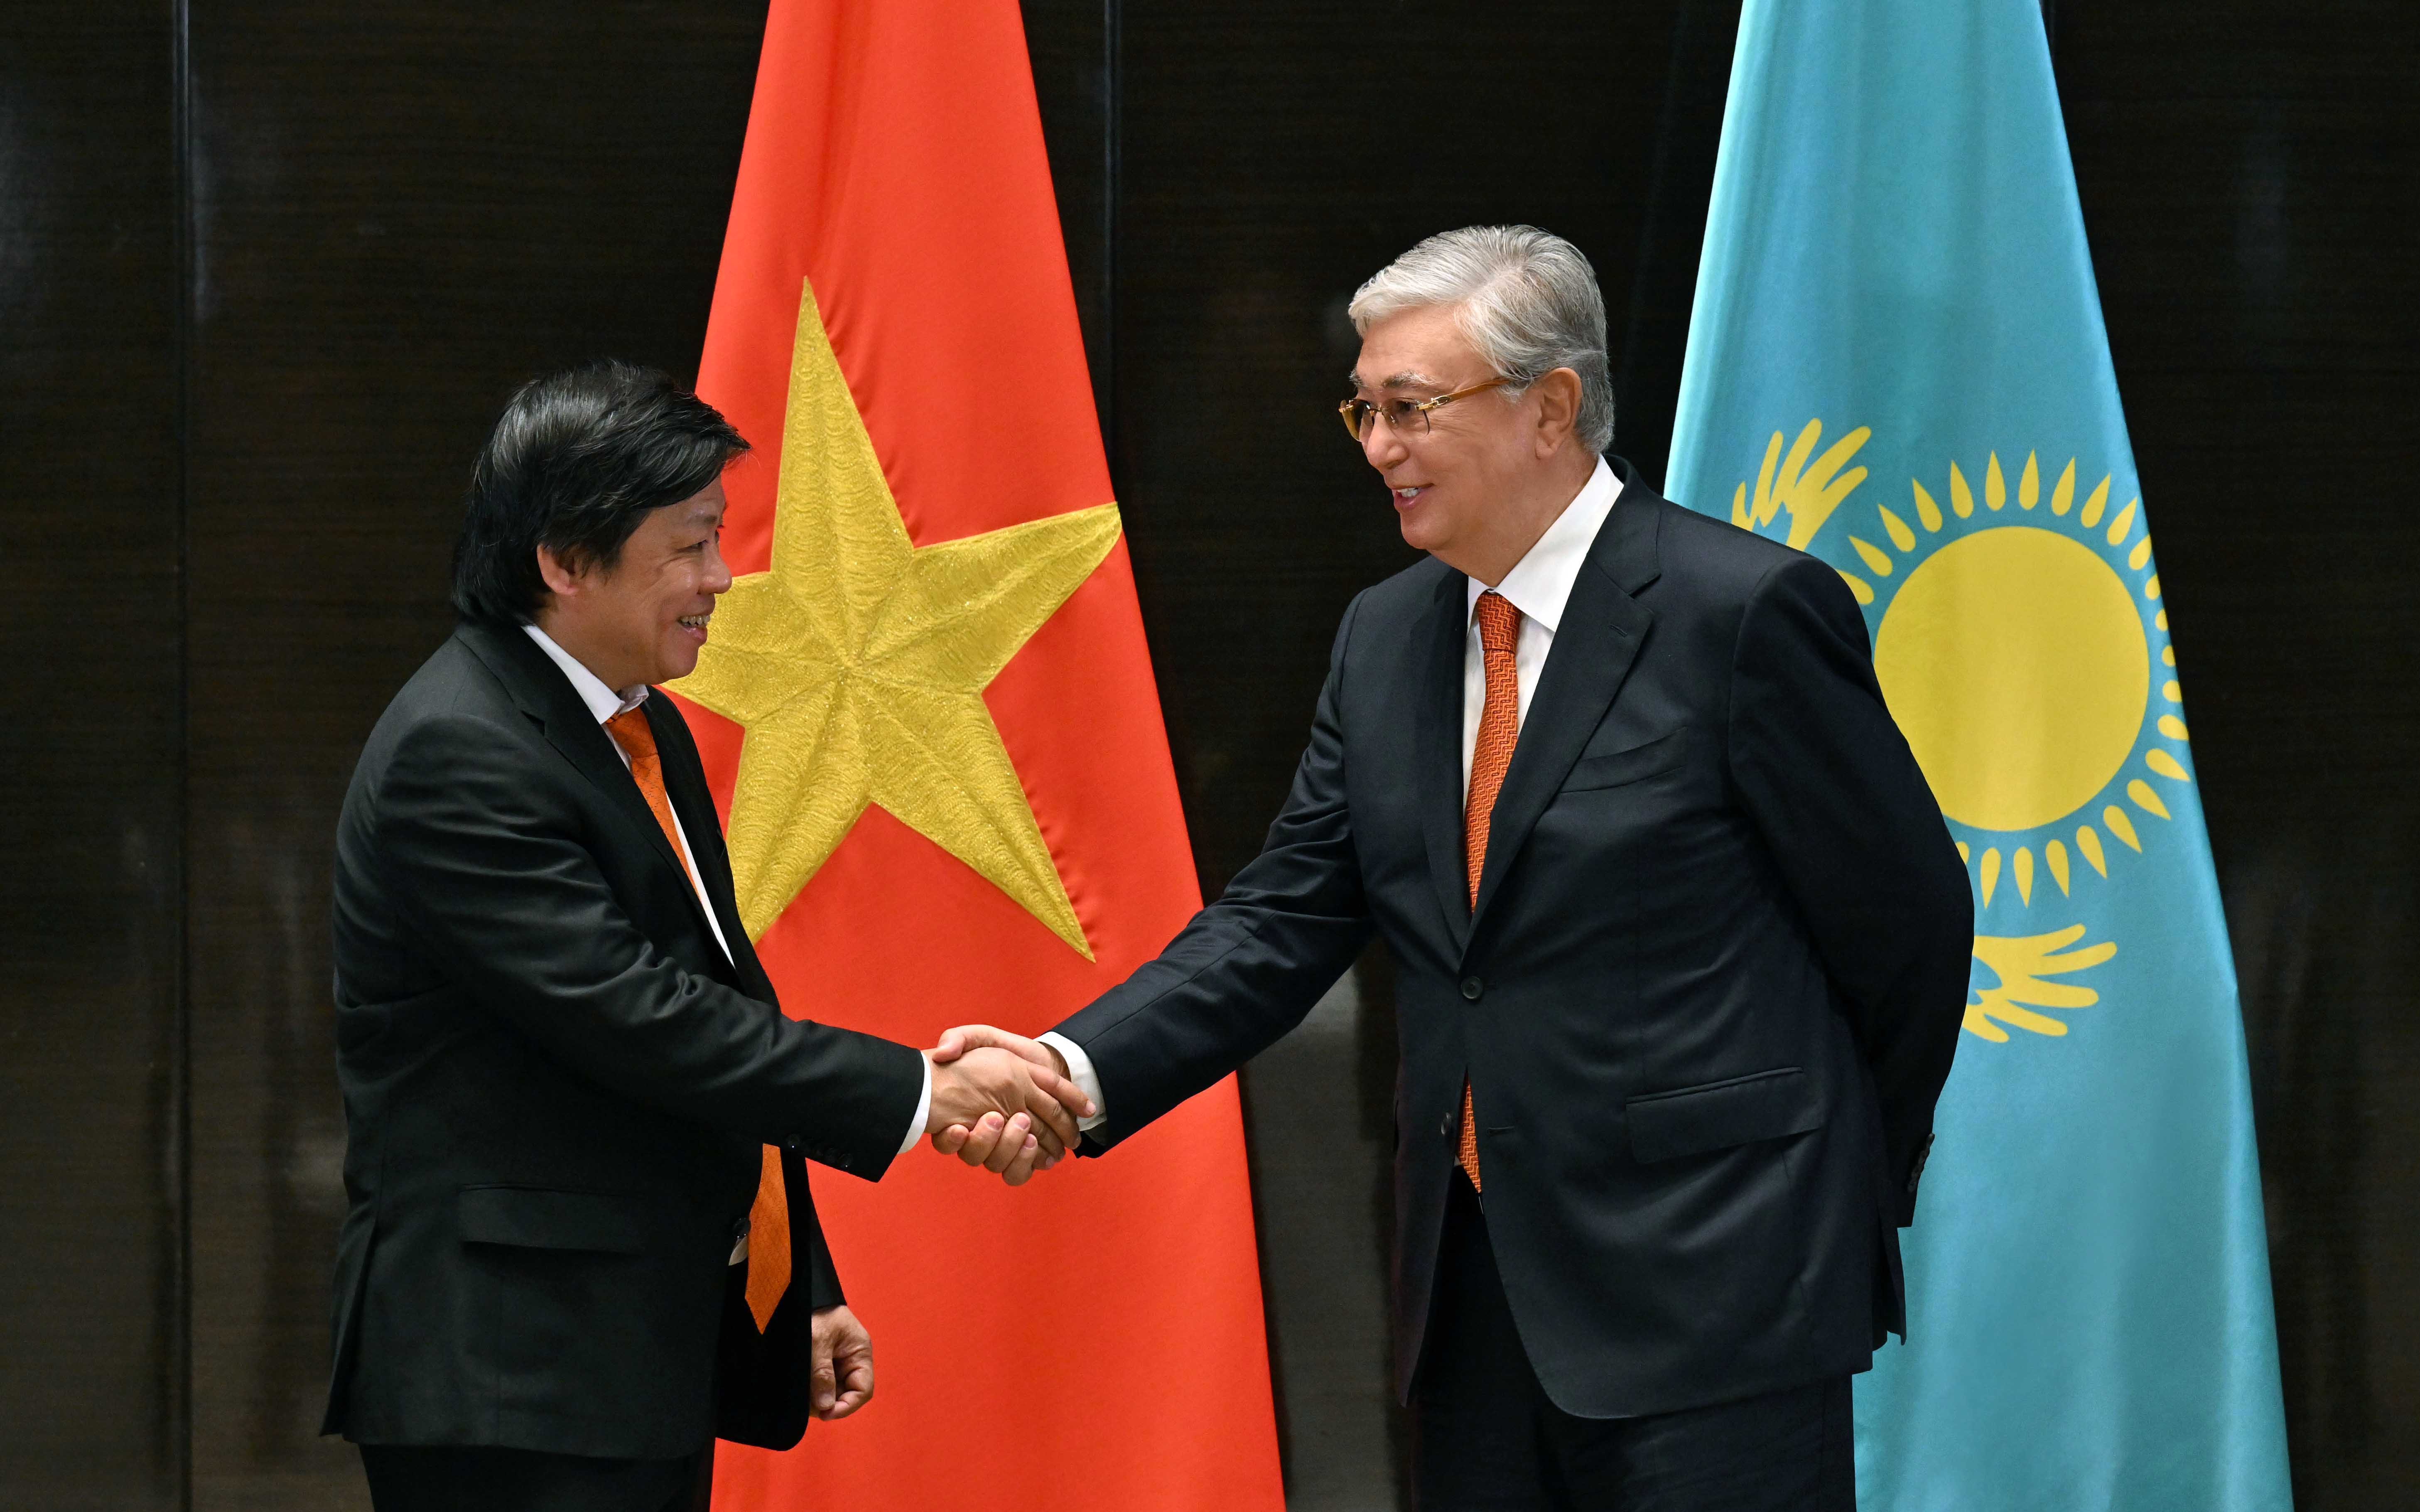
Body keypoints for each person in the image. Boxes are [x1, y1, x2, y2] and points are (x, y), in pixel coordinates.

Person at [937, 227, 1972, 1510]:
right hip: (1474, 1304)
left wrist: (1826, 1184)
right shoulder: (1385, 637)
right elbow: (1281, 920)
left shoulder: (1740, 613)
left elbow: (1908, 931)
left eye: (1412, 408)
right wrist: (1071, 1066)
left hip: (1721, 1296)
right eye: (1363, 410)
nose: (1379, 447)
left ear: (1551, 409)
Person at [322, 361, 1089, 1512]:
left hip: (627, 1353)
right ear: (564, 561)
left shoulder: (639, 724)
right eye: (688, 546)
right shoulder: (462, 750)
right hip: (510, 1375)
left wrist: (795, 1273)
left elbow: (724, 997)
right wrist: (925, 1093)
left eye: (717, 538)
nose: (721, 578)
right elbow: (642, 1020)